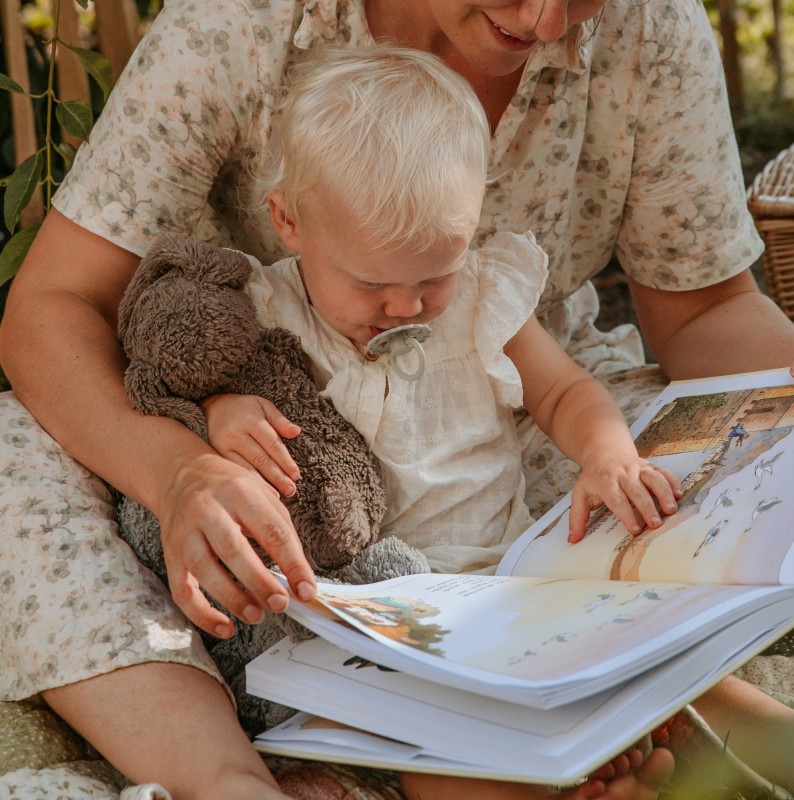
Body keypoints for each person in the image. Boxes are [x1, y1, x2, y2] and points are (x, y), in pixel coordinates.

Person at [0, 0, 791, 796]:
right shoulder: (239, 25)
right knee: (15, 455)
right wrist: (179, 469)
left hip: (505, 426)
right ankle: (224, 777)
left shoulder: (647, 29)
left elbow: (705, 310)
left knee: (645, 485)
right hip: (271, 452)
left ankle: (648, 709)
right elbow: (55, 310)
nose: (547, 23)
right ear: (288, 220)